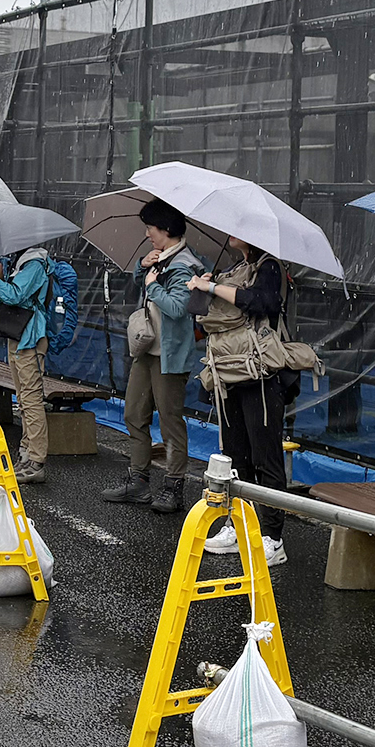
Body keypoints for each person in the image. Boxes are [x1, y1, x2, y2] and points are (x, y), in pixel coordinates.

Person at [191, 238, 297, 567]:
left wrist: (214, 290)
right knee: (234, 455)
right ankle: (238, 526)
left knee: (265, 454)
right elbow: (197, 315)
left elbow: (262, 303)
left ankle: (272, 538)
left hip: (262, 372)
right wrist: (201, 288)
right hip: (228, 370)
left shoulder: (269, 267)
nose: (229, 233)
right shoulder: (232, 268)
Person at [103, 199, 206, 513]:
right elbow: (142, 285)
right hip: (147, 350)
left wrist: (153, 283)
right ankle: (138, 481)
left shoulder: (185, 264)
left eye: (151, 228)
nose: (147, 233)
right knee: (134, 413)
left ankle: (174, 487)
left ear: (167, 229)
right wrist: (143, 267)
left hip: (170, 355)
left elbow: (177, 308)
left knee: (171, 421)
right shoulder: (161, 258)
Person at [0, 247, 52, 484]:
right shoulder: (24, 263)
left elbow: (15, 296)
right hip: (18, 335)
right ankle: (26, 454)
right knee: (24, 398)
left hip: (30, 337)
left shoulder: (35, 264)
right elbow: (17, 293)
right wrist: (0, 275)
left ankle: (36, 460)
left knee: (31, 398)